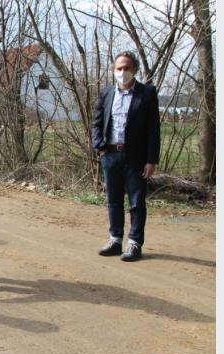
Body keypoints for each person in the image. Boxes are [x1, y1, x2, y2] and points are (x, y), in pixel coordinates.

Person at [91, 51, 161, 262]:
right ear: (114, 70)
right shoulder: (106, 93)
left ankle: (134, 243)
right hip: (110, 155)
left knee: (136, 202)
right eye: (119, 68)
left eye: (127, 68)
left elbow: (153, 129)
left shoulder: (147, 93)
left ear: (134, 70)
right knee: (113, 201)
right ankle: (115, 240)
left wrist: (151, 160)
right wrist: (99, 147)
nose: (123, 72)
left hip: (135, 157)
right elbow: (97, 123)